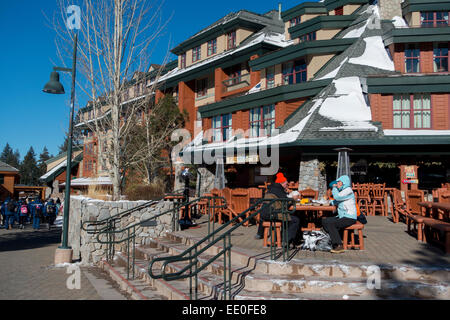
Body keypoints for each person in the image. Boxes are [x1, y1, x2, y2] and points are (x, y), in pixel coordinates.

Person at [255, 172, 301, 247]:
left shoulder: (271, 188)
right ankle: (285, 241)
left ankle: (277, 238)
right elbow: (286, 203)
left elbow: (282, 201)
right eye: (286, 184)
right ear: (282, 183)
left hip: (265, 213)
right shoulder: (278, 190)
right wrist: (293, 199)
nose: (287, 186)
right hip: (273, 214)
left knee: (289, 217)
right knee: (295, 220)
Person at [322, 175, 357, 254]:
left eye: (339, 182)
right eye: (337, 182)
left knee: (332, 224)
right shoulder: (343, 192)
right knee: (325, 220)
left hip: (349, 217)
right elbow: (337, 201)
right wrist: (327, 202)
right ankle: (332, 237)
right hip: (343, 216)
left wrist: (334, 188)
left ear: (344, 183)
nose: (337, 184)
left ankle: (338, 245)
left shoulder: (348, 190)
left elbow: (337, 197)